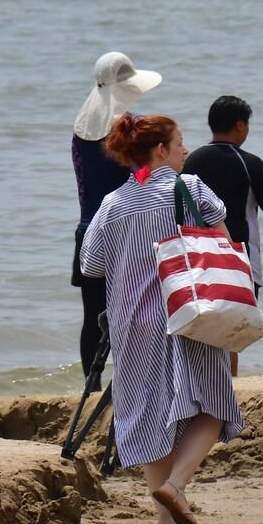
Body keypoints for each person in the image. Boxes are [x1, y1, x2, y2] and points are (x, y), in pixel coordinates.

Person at [80, 114, 244, 524]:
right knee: (214, 405)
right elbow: (223, 245)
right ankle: (176, 485)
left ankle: (165, 520)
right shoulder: (189, 188)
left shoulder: (113, 203)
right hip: (188, 314)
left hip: (132, 324)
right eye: (180, 142)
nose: (185, 150)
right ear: (160, 150)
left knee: (149, 414)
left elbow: (90, 265)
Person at [183, 95, 263, 376]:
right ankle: (229, 384)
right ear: (240, 126)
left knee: (202, 326)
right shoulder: (249, 163)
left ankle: (202, 382)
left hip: (197, 256)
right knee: (232, 330)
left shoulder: (192, 161)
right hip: (240, 259)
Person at [71, 52, 161, 385]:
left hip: (88, 230)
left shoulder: (81, 129)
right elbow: (142, 178)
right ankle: (131, 382)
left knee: (92, 317)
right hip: (126, 230)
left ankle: (92, 386)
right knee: (135, 312)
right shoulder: (127, 130)